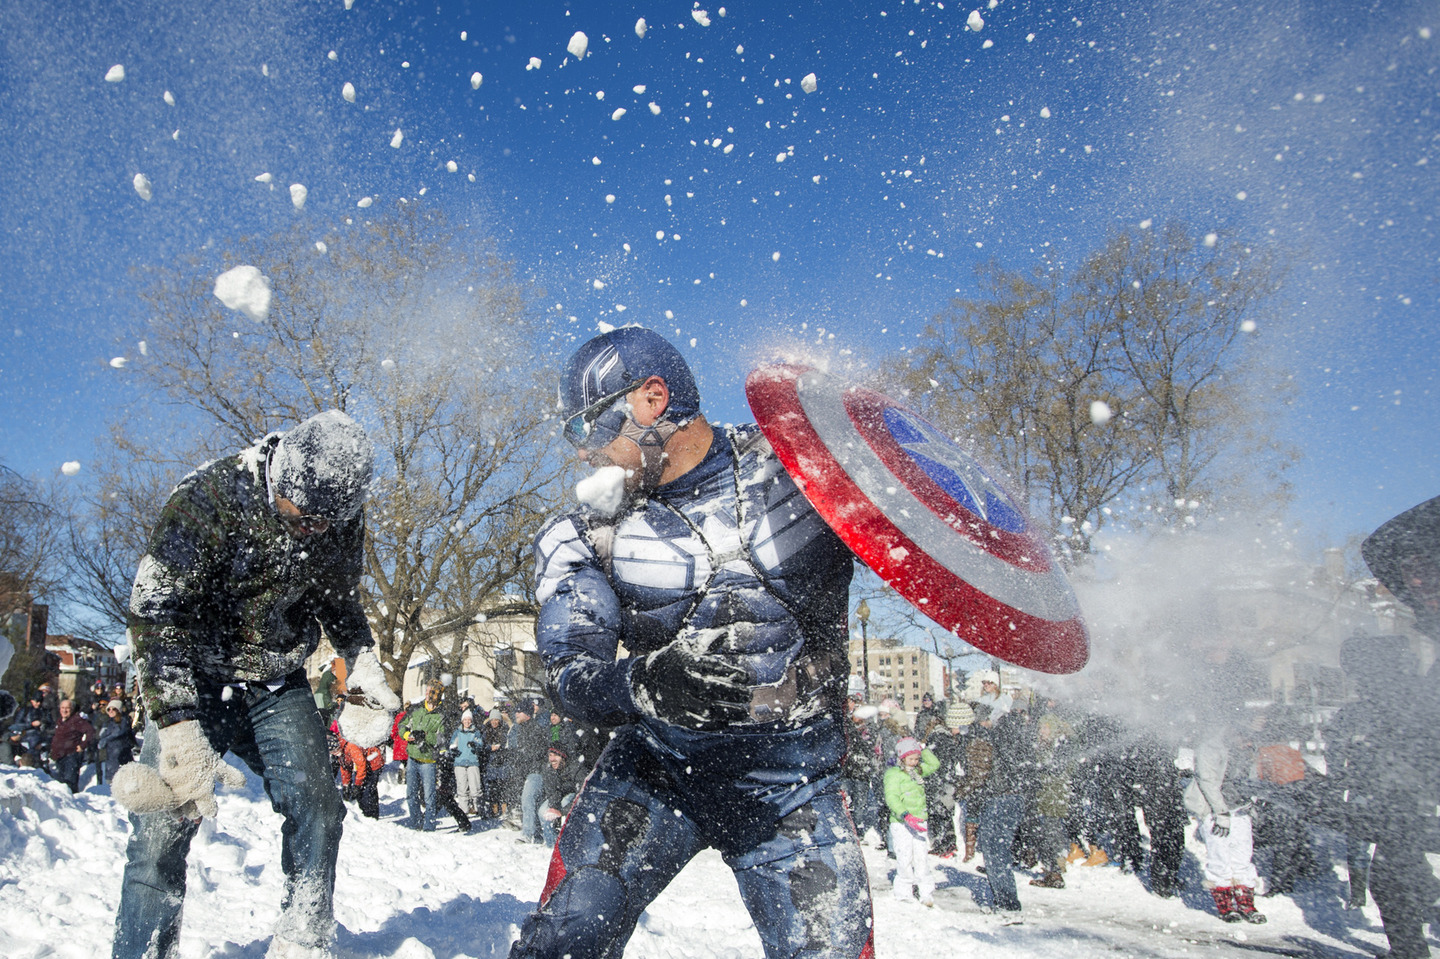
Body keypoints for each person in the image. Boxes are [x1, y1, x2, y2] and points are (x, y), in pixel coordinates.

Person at [509, 328, 871, 959]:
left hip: (793, 785)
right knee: (565, 944)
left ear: (652, 400)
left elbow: (936, 529)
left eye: (588, 428)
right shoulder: (588, 532)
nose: (581, 455)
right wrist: (645, 682)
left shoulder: (809, 476)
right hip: (655, 770)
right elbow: (569, 676)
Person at [110, 409, 396, 959]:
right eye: (303, 517)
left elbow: (336, 598)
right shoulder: (207, 499)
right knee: (160, 834)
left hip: (275, 679)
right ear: (282, 478)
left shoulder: (337, 516)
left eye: (326, 521)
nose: (315, 529)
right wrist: (176, 728)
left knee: (318, 805)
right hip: (193, 677)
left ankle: (303, 942)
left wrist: (361, 661)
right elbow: (154, 611)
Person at [1327, 635, 1438, 958]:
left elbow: (1398, 757)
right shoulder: (1405, 695)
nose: (1357, 683)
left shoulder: (1398, 700)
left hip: (1408, 807)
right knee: (1400, 877)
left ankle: (1410, 952)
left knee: (1392, 882)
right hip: (1404, 808)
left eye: (1359, 674)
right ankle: (1409, 948)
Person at [1184, 726, 1266, 924]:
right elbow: (1207, 781)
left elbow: (1251, 780)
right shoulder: (1211, 748)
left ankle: (1246, 904)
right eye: (1244, 739)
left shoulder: (1248, 751)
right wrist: (1220, 812)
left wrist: (1252, 803)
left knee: (1243, 860)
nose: (1248, 744)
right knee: (1219, 859)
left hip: (1241, 811)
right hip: (1216, 813)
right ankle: (1226, 906)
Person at [884, 736, 939, 906]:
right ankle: (904, 891)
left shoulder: (918, 772)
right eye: (911, 758)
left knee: (921, 857)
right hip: (901, 822)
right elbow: (891, 798)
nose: (915, 762)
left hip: (920, 820)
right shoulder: (894, 774)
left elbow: (935, 765)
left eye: (917, 759)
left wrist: (922, 749)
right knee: (905, 856)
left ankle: (926, 892)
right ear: (902, 758)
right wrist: (905, 815)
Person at [401, 681, 448, 831]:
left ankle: (429, 825)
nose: (426, 694)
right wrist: (408, 735)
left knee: (429, 796)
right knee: (411, 794)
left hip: (429, 760)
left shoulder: (441, 715)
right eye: (427, 691)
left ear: (436, 694)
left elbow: (442, 739)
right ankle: (415, 823)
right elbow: (402, 725)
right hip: (413, 758)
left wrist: (426, 736)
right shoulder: (416, 710)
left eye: (429, 692)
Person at [538, 744, 586, 846]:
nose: (552, 759)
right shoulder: (549, 770)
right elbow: (552, 792)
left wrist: (562, 811)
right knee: (543, 812)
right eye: (550, 755)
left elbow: (581, 795)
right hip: (560, 796)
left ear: (563, 757)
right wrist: (554, 808)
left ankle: (564, 845)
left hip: (574, 796)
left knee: (565, 804)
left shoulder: (576, 768)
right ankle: (551, 844)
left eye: (555, 756)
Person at [49, 698, 96, 793]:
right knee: (61, 784)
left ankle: (73, 803)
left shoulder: (77, 720)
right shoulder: (60, 721)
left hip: (71, 757)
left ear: (72, 709)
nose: (64, 710)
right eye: (62, 708)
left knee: (69, 784)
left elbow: (91, 731)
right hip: (59, 757)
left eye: (67, 708)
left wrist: (83, 745)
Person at [451, 709, 487, 816]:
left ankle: (478, 809)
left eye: (469, 720)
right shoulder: (457, 732)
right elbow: (452, 744)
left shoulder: (476, 732)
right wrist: (453, 749)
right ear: (462, 720)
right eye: (465, 719)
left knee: (475, 788)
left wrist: (475, 744)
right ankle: (463, 810)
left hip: (472, 761)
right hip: (459, 762)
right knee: (462, 788)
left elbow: (480, 745)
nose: (467, 722)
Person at [97, 699, 137, 783]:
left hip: (122, 754)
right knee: (111, 780)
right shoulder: (107, 722)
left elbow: (119, 732)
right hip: (110, 756)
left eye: (114, 709)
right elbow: (101, 734)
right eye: (109, 709)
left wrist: (106, 739)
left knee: (123, 779)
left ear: (118, 710)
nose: (111, 711)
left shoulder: (124, 720)